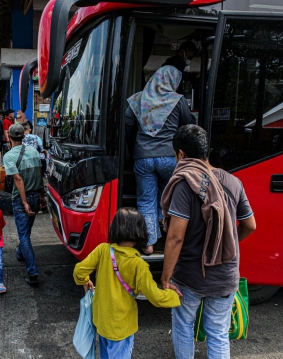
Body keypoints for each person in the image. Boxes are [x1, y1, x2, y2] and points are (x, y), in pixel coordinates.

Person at [160, 125, 256, 359]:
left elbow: (175, 237)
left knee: (184, 326)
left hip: (190, 276)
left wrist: (165, 278)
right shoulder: (233, 182)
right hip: (226, 274)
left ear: (181, 154)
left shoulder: (184, 184)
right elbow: (250, 225)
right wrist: (225, 247)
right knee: (218, 332)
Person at [74, 208, 181, 358]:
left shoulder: (103, 250)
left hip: (102, 323)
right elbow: (155, 297)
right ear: (140, 231)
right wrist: (174, 296)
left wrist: (85, 280)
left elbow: (79, 271)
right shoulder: (138, 264)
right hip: (122, 327)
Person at [126, 65, 194, 255]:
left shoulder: (139, 99)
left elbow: (128, 123)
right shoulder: (178, 100)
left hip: (143, 157)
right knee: (167, 197)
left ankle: (148, 244)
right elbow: (188, 125)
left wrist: (134, 147)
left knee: (146, 199)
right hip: (170, 157)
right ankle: (165, 233)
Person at [3, 123, 46, 285]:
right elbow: (40, 174)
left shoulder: (9, 156)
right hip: (36, 195)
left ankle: (33, 272)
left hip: (23, 199)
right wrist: (42, 196)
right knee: (26, 231)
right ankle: (21, 253)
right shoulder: (34, 152)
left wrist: (24, 202)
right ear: (23, 136)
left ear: (9, 137)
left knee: (23, 235)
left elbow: (18, 179)